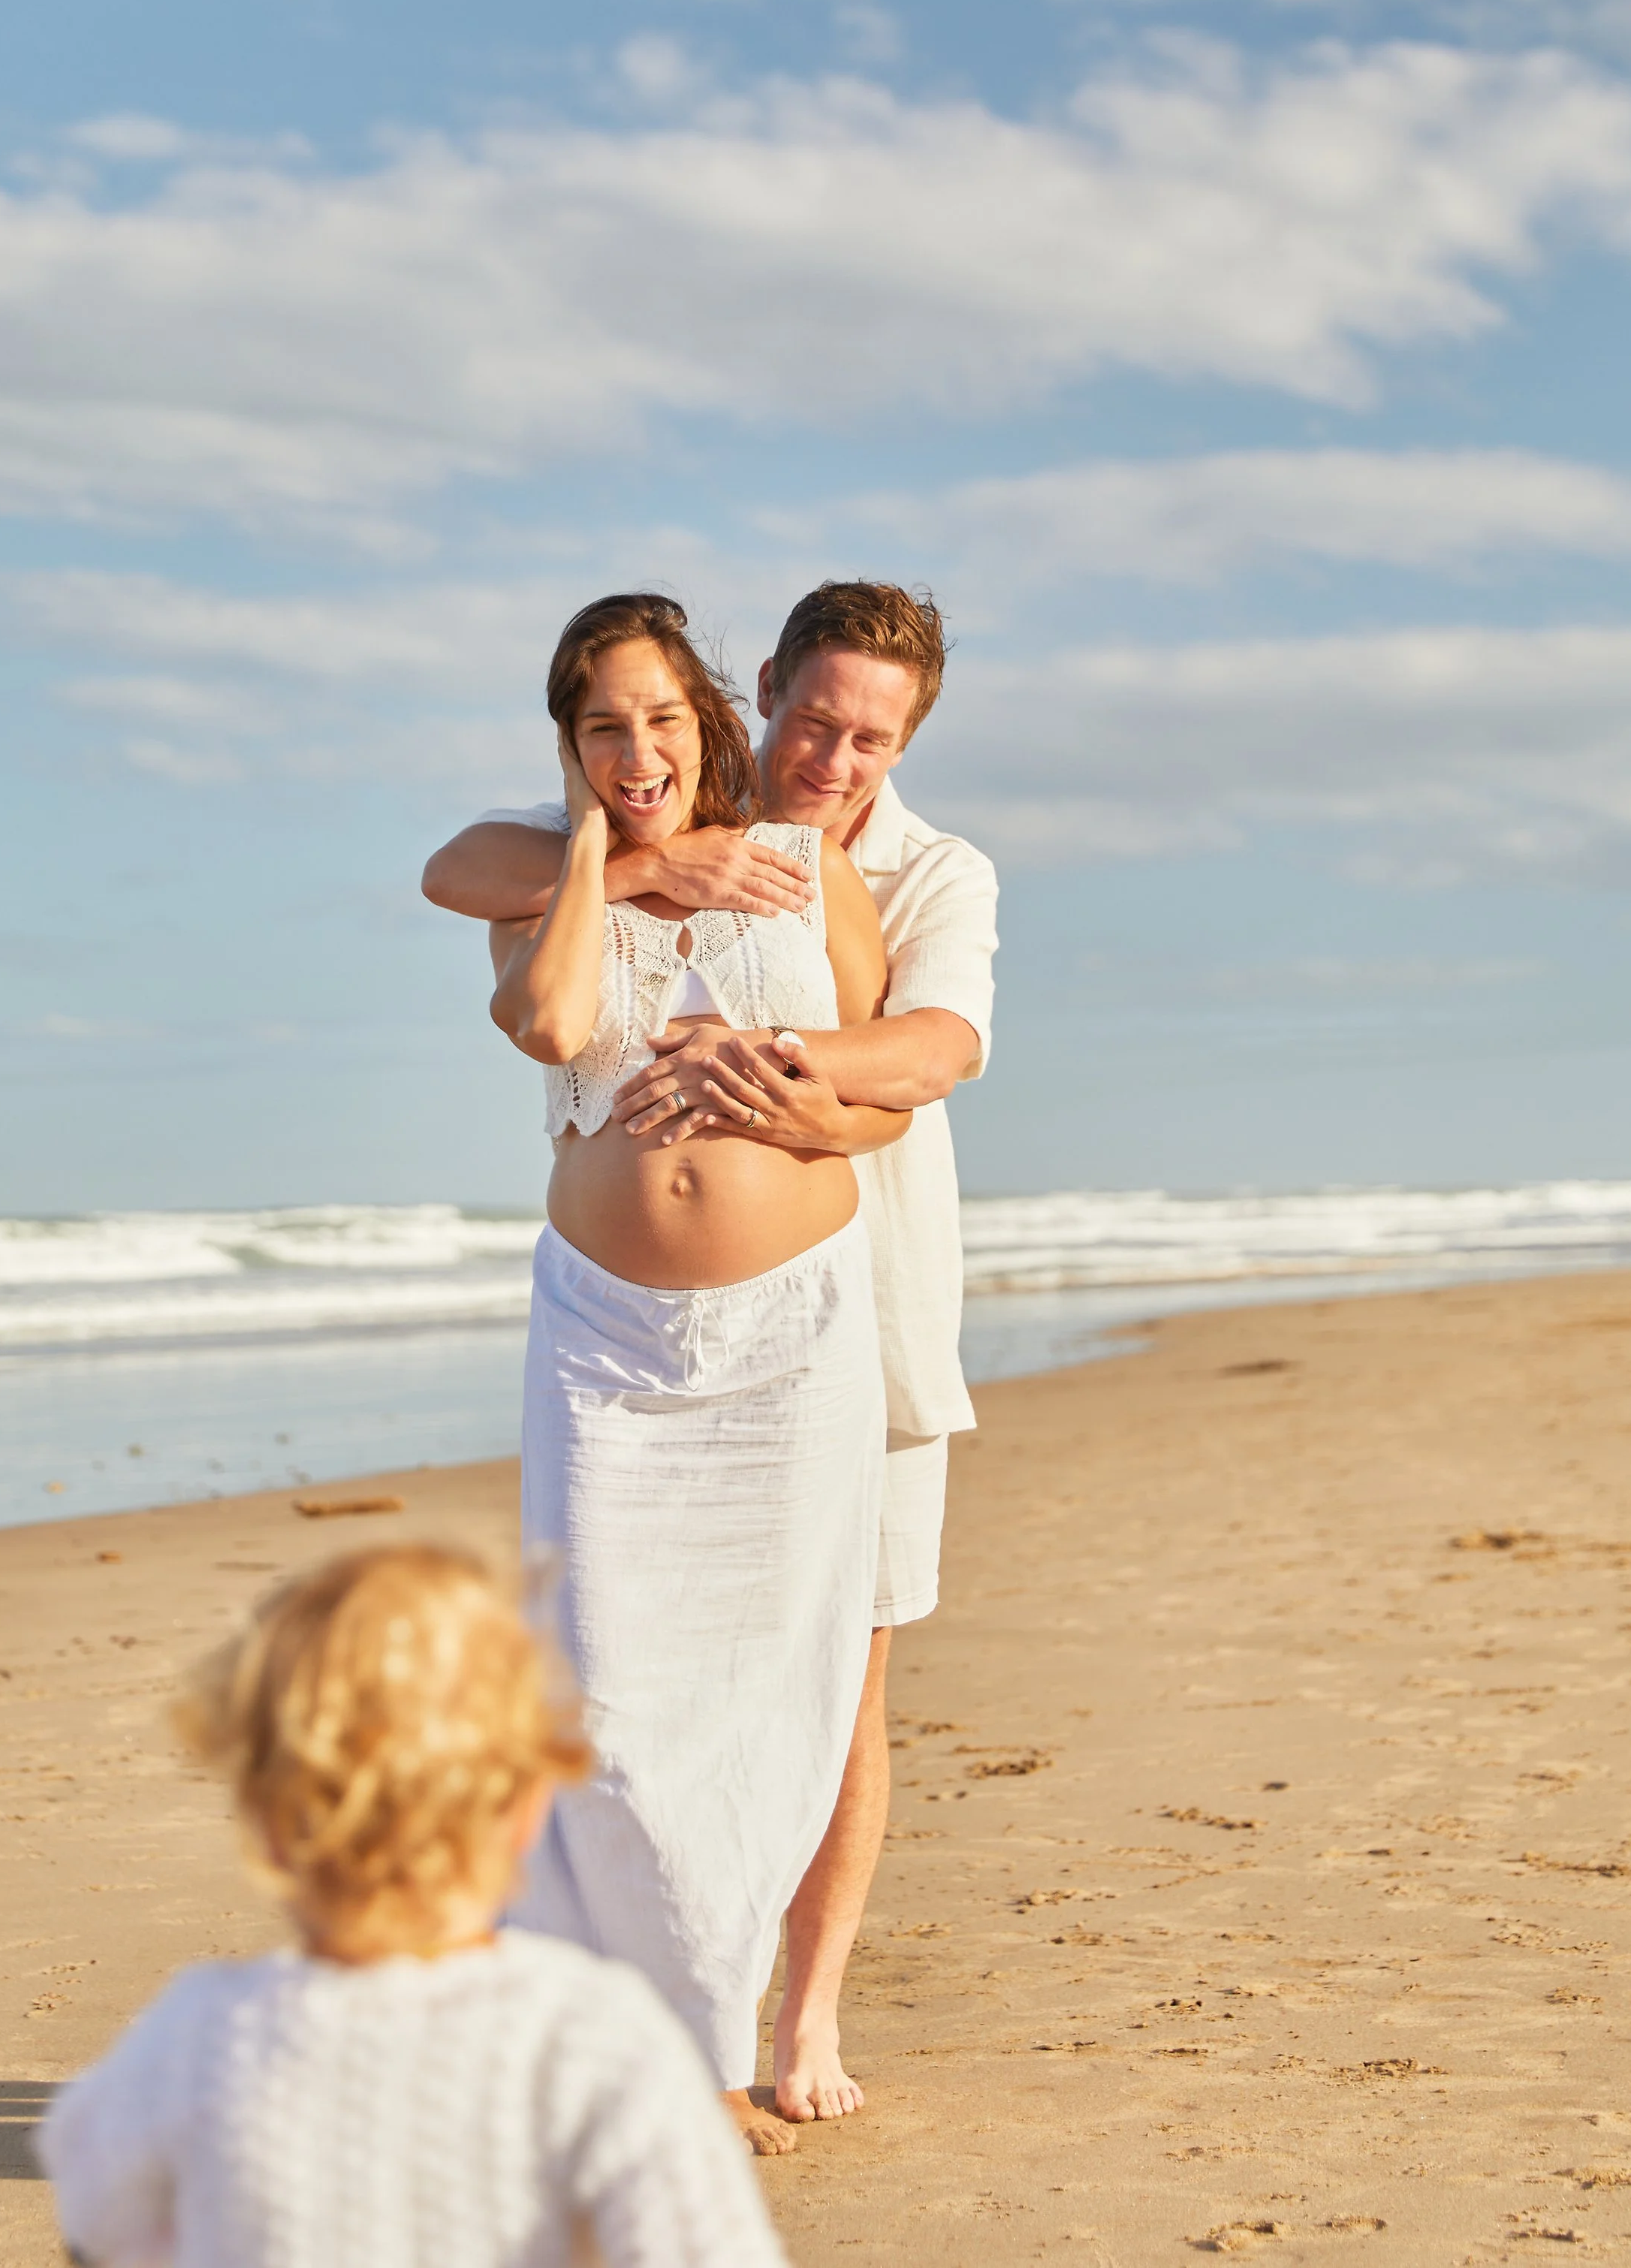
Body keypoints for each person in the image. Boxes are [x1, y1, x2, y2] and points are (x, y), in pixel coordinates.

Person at [423, 579, 998, 2128]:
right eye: (607, 725)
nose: (835, 752)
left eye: (658, 721)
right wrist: (628, 860)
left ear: (698, 720)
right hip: (609, 1339)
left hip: (809, 1327)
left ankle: (770, 2023)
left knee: (802, 1681)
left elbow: (916, 1067)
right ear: (762, 701)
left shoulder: (853, 873)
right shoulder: (553, 868)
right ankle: (620, 2033)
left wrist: (780, 1081)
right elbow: (531, 1007)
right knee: (603, 1685)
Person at [36, 1543, 788, 2268]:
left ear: (264, 1825)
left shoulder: (192, 2038)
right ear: (528, 1807)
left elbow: (95, 2219)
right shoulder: (594, 2037)